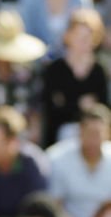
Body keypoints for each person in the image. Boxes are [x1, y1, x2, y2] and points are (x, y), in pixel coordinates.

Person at [39, 9, 108, 149]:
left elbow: (103, 110)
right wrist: (79, 105)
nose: (84, 42)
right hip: (59, 140)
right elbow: (51, 110)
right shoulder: (54, 70)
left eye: (88, 37)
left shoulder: (99, 71)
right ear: (68, 36)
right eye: (79, 36)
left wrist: (68, 103)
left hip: (93, 137)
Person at [49, 106, 111, 217]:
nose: (94, 139)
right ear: (80, 131)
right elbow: (55, 205)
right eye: (90, 133)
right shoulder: (57, 158)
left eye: (98, 133)